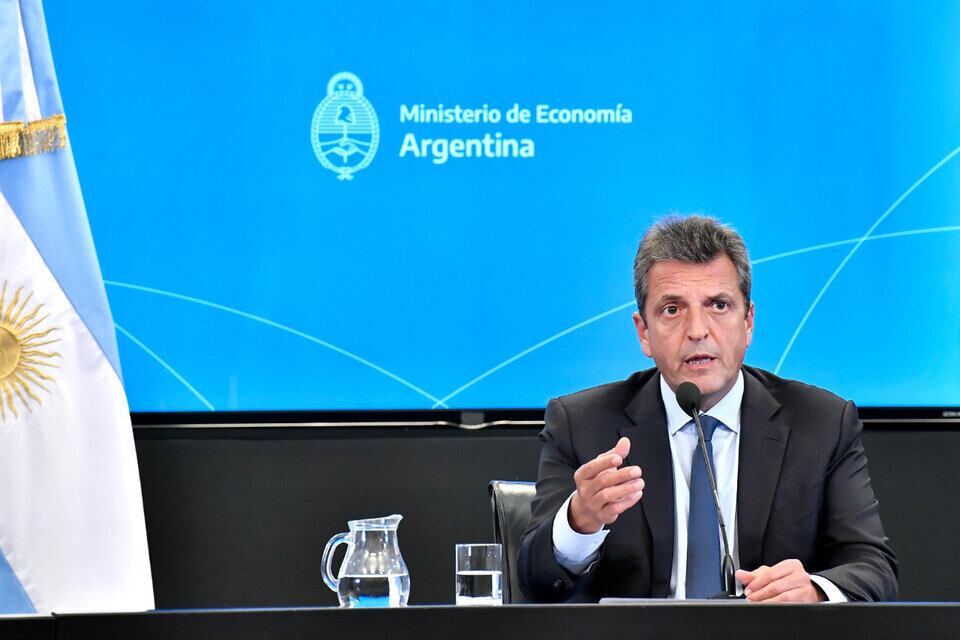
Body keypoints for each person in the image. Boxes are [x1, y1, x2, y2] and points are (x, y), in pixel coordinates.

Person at [517, 215, 897, 603]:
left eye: (718, 305)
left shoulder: (820, 423)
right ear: (644, 332)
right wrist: (580, 521)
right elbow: (535, 583)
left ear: (748, 322)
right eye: (672, 309)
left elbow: (873, 568)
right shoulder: (582, 424)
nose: (697, 330)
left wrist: (814, 591)